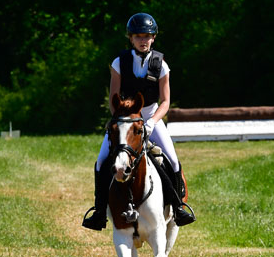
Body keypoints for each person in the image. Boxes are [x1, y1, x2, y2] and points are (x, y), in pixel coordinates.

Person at [82, 12, 196, 230]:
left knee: (171, 160)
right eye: (138, 36)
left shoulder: (161, 65)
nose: (143, 40)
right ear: (130, 38)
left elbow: (165, 102)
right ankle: (99, 212)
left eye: (147, 36)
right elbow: (113, 99)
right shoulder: (119, 63)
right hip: (125, 119)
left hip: (153, 116)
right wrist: (123, 119)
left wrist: (152, 121)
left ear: (153, 38)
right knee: (101, 161)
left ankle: (178, 206)